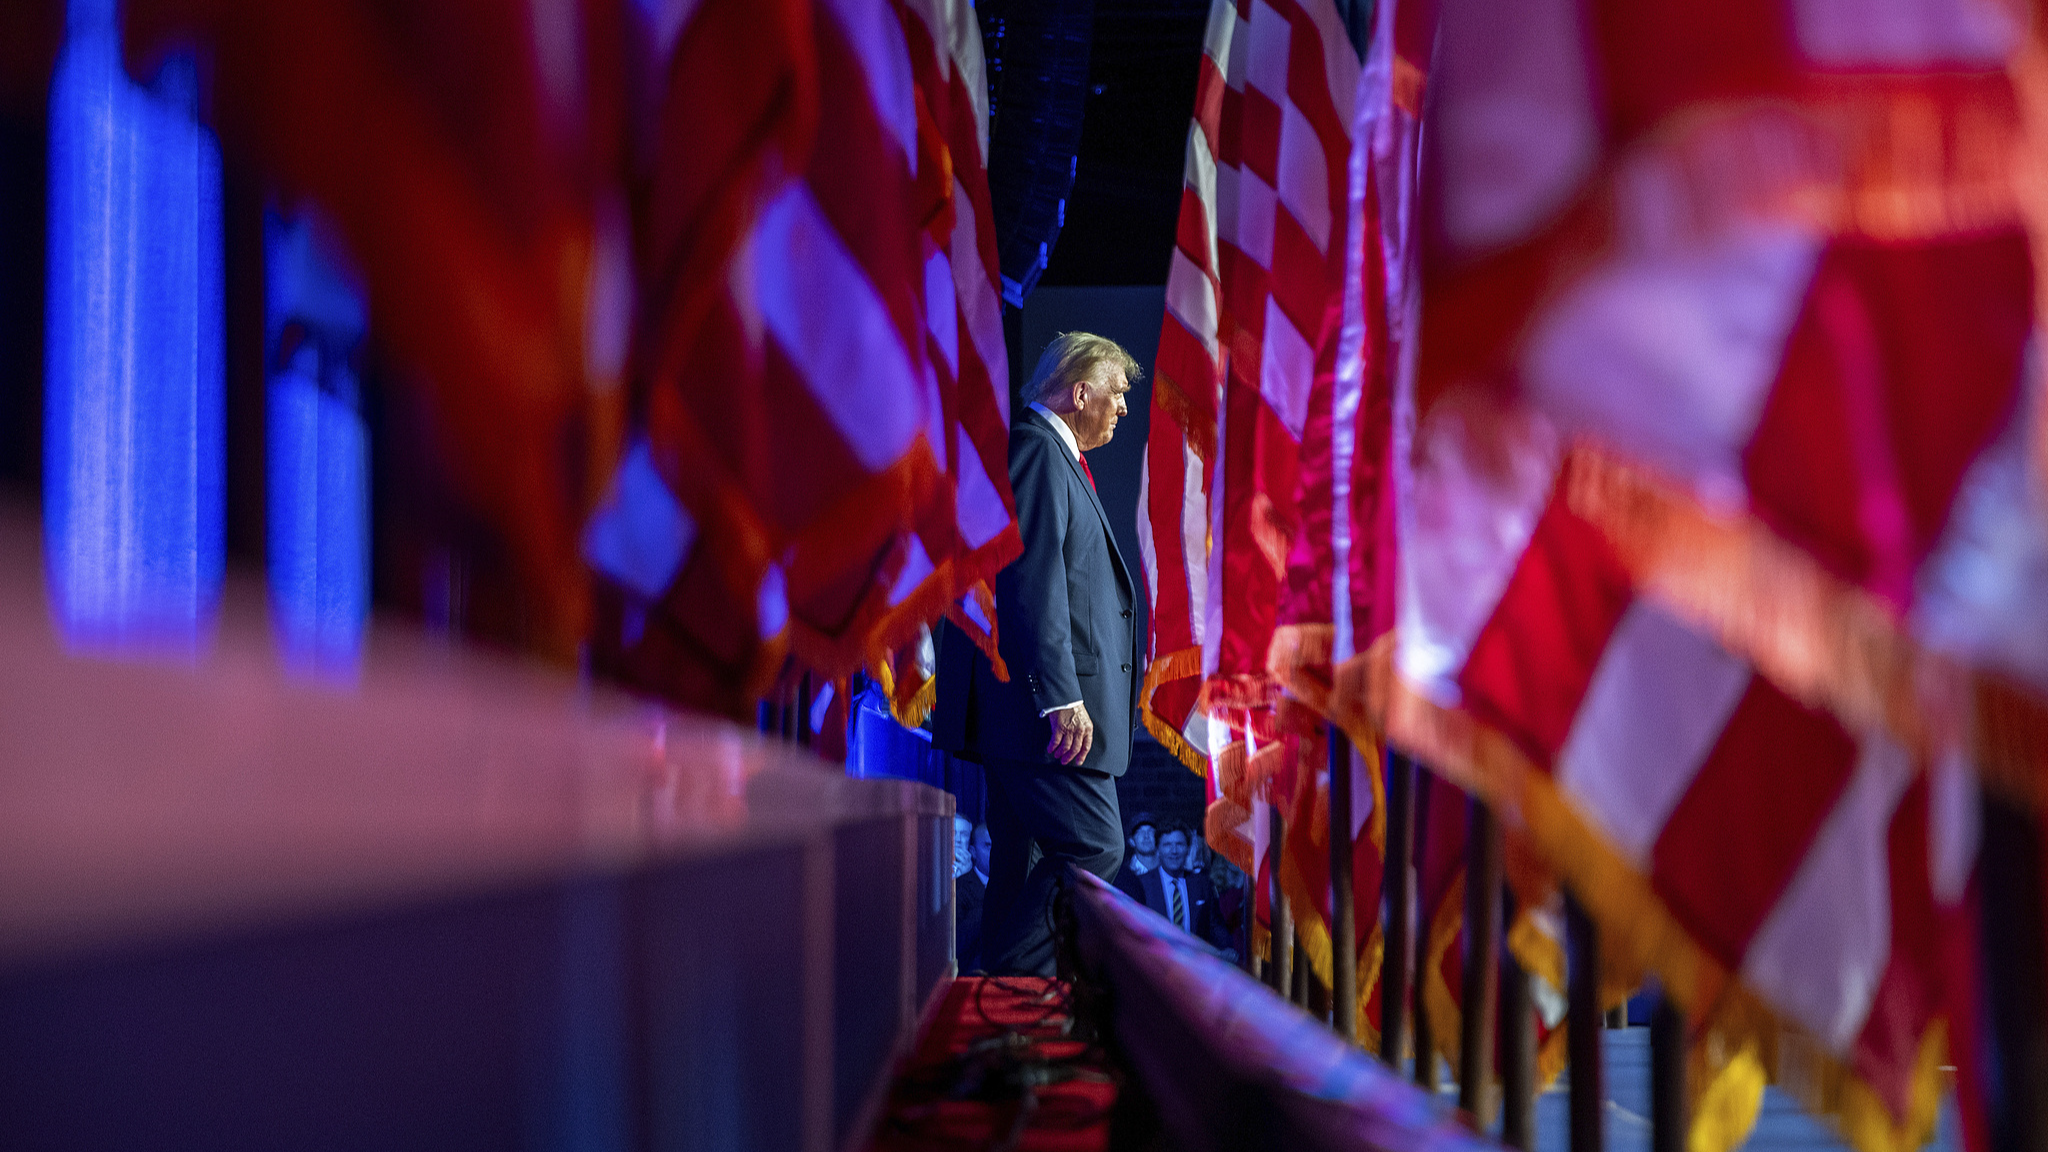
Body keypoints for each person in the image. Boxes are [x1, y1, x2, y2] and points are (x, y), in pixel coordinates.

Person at [931, 331, 1142, 977]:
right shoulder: (1037, 450)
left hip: (1029, 718)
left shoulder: (1056, 456)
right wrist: (1062, 697)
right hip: (1042, 715)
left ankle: (1003, 1016)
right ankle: (1012, 980)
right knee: (1095, 847)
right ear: (1081, 391)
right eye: (1118, 392)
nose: (1124, 407)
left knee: (1021, 863)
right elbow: (1029, 581)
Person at [1139, 823, 1237, 961]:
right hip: (1156, 964)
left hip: (1195, 966)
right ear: (1158, 850)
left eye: (1179, 844)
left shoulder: (1202, 884)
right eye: (1167, 845)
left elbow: (1214, 925)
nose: (1174, 851)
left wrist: (1228, 950)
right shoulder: (1143, 884)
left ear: (1187, 848)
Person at [953, 815, 985, 972]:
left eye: (964, 834)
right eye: (953, 833)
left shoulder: (980, 873)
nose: (958, 840)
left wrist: (965, 877)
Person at [1112, 812, 1159, 901]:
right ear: (1131, 841)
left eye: (1150, 831)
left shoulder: (1169, 870)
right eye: (1140, 832)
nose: (1146, 836)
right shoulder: (1124, 874)